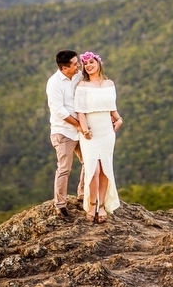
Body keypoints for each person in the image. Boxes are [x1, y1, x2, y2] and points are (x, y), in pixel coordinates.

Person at [75, 51, 123, 223]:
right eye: (85, 64)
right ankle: (92, 203)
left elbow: (112, 108)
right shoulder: (82, 85)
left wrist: (119, 119)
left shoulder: (109, 83)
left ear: (98, 63)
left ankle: (102, 205)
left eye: (91, 62)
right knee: (93, 170)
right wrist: (84, 128)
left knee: (104, 170)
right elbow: (79, 110)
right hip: (90, 132)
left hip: (106, 132)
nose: (88, 66)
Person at [45, 49, 86, 219]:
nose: (78, 66)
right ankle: (60, 204)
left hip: (80, 129)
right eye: (75, 64)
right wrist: (79, 125)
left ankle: (83, 195)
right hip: (63, 131)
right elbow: (59, 110)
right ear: (64, 68)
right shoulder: (54, 83)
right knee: (64, 168)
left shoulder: (77, 75)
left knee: (89, 162)